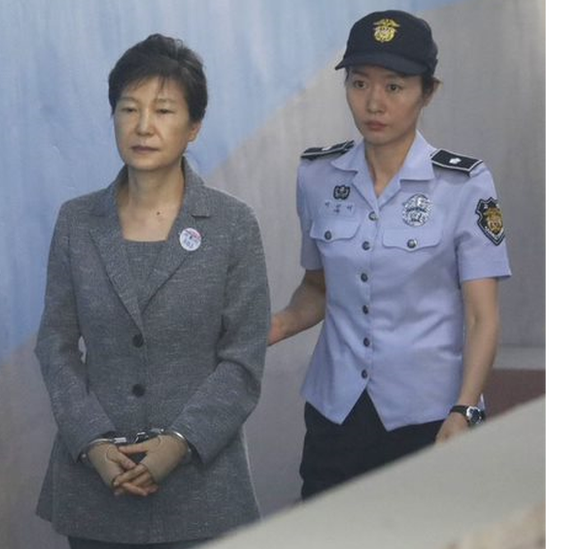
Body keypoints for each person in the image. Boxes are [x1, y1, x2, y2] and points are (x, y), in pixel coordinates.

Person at [35, 34, 270, 548]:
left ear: (193, 127)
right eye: (129, 108)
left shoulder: (232, 225)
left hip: (202, 490)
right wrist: (92, 441)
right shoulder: (77, 222)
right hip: (100, 484)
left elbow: (243, 359)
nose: (143, 126)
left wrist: (180, 442)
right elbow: (55, 343)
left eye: (163, 110)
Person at [269, 10, 511, 500]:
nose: (373, 102)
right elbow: (318, 289)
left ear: (429, 91)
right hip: (335, 413)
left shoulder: (463, 184)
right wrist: (264, 330)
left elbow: (483, 318)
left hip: (429, 417)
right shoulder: (317, 176)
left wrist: (464, 411)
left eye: (394, 86)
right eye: (359, 83)